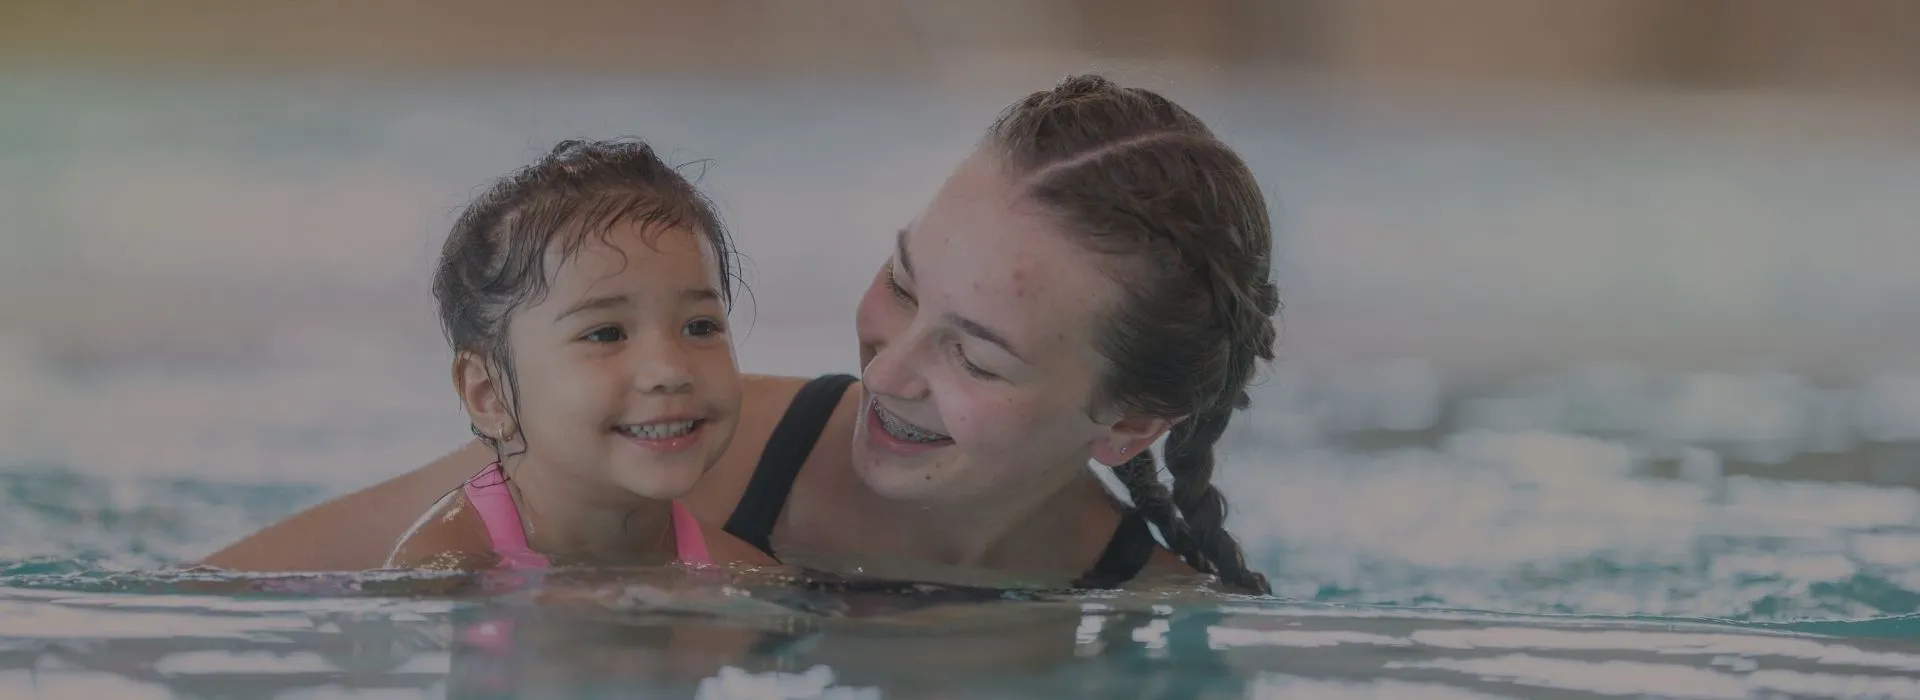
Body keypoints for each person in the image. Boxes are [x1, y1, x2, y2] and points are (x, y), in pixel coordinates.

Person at [204, 75, 1278, 595]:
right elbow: (231, 604)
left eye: (977, 353)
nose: (888, 367)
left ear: (1129, 421)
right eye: (902, 286)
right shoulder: (659, 450)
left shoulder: (1161, 623)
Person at [382, 138, 774, 571]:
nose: (670, 370)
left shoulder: (740, 577)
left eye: (700, 326)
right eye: (607, 334)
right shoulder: (445, 571)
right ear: (489, 394)